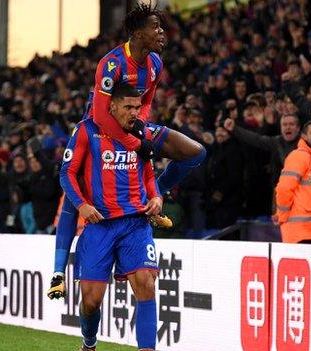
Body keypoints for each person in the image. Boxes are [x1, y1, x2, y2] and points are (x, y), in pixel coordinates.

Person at [48, 2, 205, 300]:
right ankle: (57, 270)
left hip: (133, 124)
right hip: (99, 127)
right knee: (75, 190)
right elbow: (100, 113)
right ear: (137, 33)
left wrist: (141, 124)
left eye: (161, 26)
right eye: (154, 27)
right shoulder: (112, 63)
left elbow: (146, 100)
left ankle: (152, 194)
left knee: (195, 152)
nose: (161, 32)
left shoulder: (155, 62)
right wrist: (135, 144)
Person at [60, 83, 162, 351]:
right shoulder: (87, 130)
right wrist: (81, 205)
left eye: (138, 107)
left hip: (135, 224)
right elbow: (66, 173)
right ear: (112, 106)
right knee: (91, 301)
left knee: (146, 283)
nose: (134, 113)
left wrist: (157, 197)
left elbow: (149, 174)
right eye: (128, 107)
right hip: (99, 224)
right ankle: (89, 343)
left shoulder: (142, 133)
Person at [275, 120, 311, 243]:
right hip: (298, 228)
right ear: (304, 136)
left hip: (307, 228)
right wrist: (282, 217)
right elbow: (284, 188)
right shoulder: (299, 156)